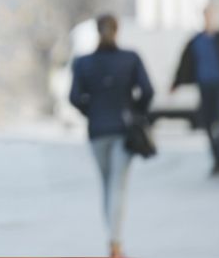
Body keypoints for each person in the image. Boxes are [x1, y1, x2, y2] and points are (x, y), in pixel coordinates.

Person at [70, 14, 154, 258]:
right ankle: (115, 243)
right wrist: (135, 111)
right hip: (123, 129)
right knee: (118, 186)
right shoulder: (131, 58)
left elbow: (74, 97)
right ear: (117, 31)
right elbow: (148, 91)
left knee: (107, 185)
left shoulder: (83, 62)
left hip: (97, 131)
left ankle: (114, 240)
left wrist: (92, 111)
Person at [171, 6, 219, 177]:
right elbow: (185, 62)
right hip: (204, 86)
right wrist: (176, 83)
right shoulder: (196, 40)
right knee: (207, 122)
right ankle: (216, 158)